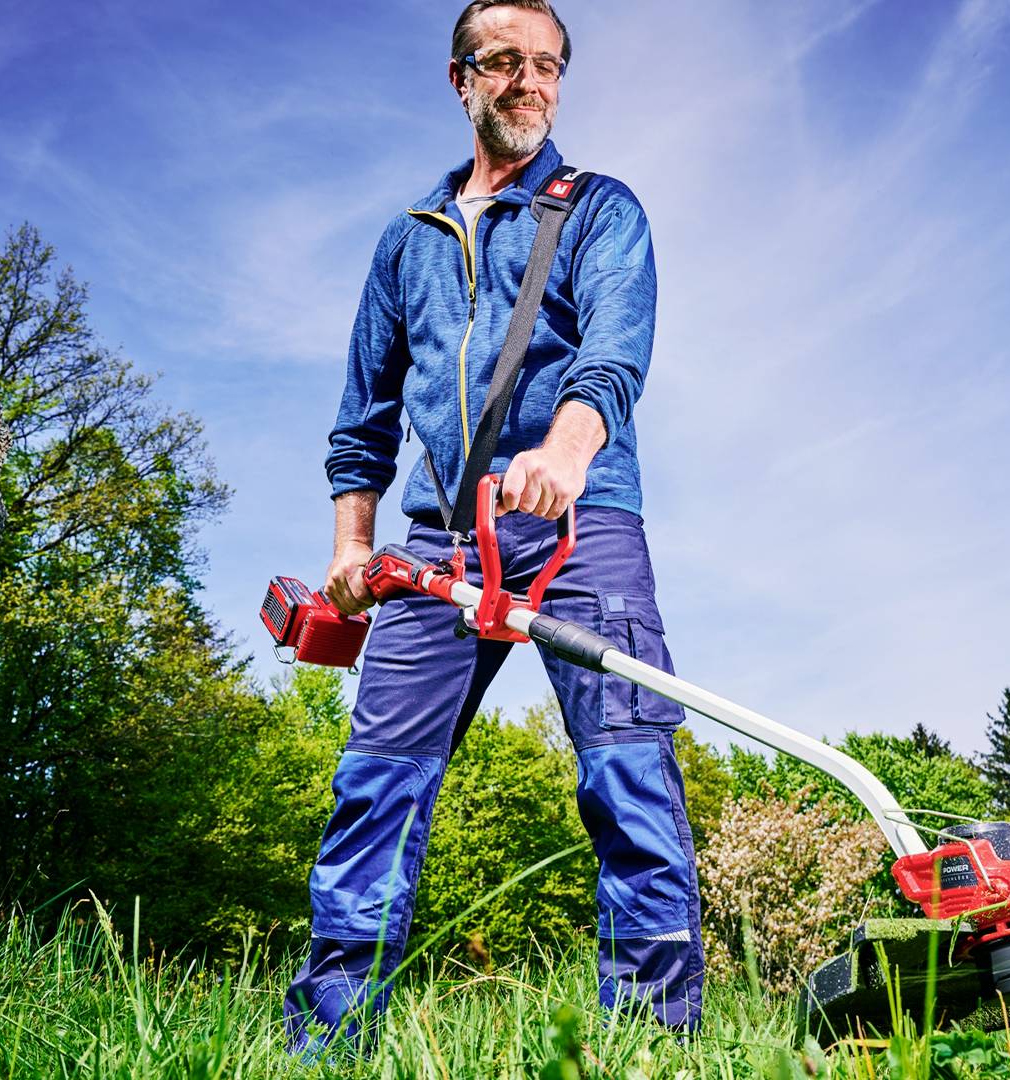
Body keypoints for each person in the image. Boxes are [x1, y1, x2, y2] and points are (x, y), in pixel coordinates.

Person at [282, 0, 704, 1054]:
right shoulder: (405, 242)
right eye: (505, 62)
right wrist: (349, 546)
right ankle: (328, 1045)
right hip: (437, 544)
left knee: (627, 774)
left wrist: (564, 453)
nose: (530, 82)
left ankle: (646, 1049)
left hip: (583, 524)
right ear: (460, 78)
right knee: (375, 787)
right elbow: (363, 417)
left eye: (548, 64)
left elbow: (613, 351)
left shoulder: (601, 210)